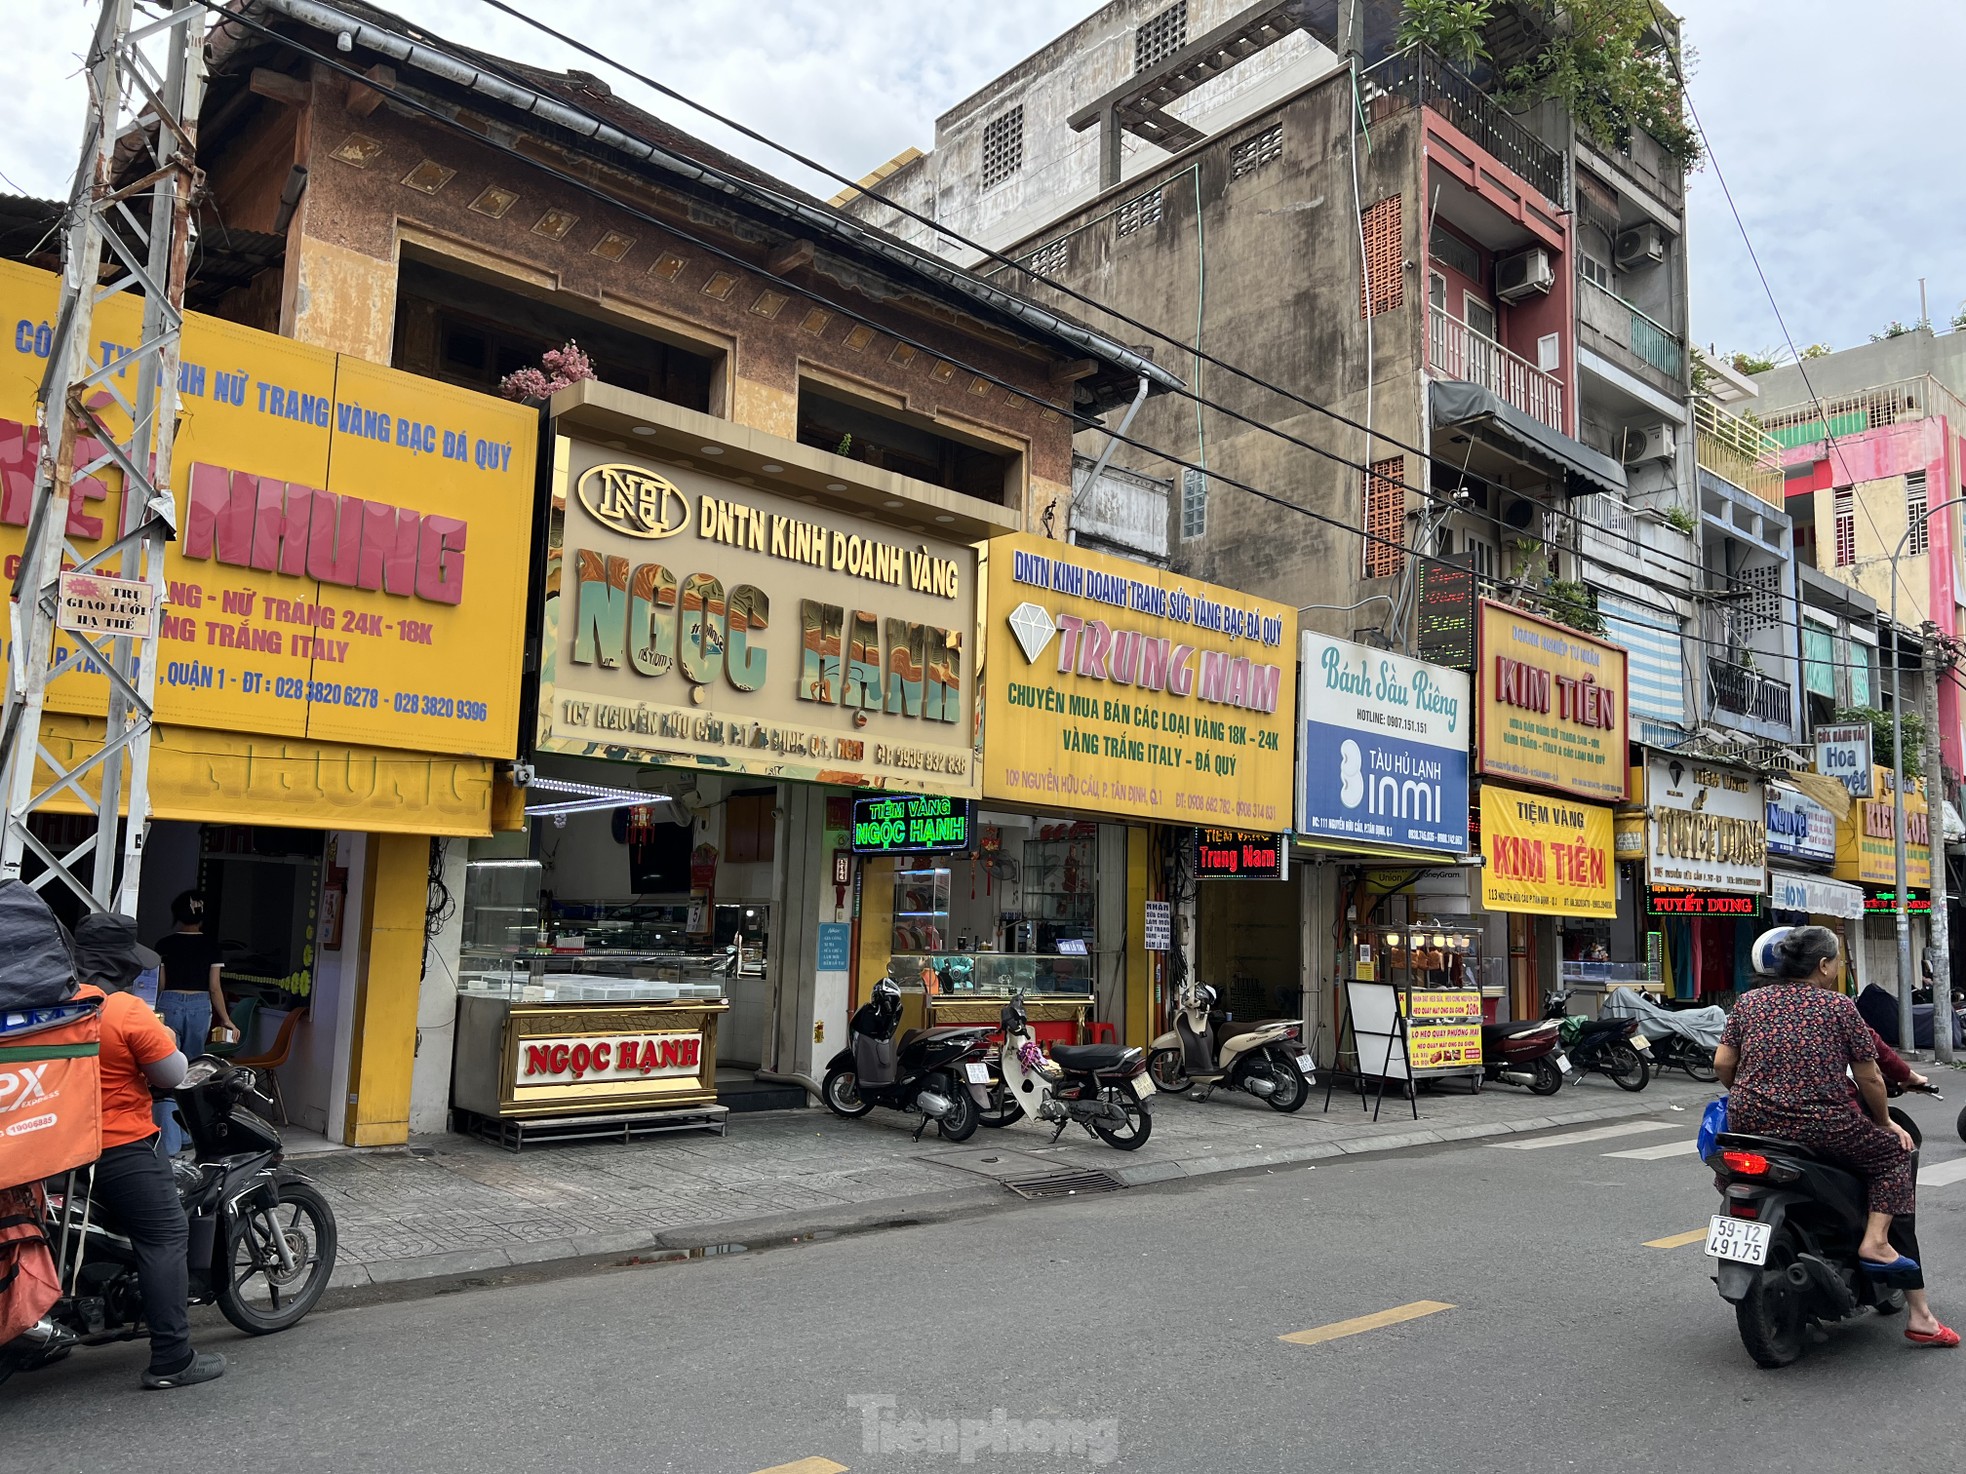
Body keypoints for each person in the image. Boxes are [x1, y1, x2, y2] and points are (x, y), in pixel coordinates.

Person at [1716, 925, 1956, 1348]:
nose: (1837, 969)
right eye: (1836, 963)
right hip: (1820, 1125)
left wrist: (1748, 1092)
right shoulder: (1837, 1007)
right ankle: (1878, 1242)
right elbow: (1870, 1076)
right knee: (1893, 1156)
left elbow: (1723, 1063)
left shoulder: (1749, 1002)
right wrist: (1883, 1122)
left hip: (1749, 1123)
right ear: (1823, 965)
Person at [72, 912, 227, 1389]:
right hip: (117, 1147)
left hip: (52, 1146)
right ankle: (172, 1359)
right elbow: (174, 1073)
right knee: (164, 1236)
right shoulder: (122, 1010)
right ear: (122, 962)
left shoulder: (48, 1000)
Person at [152, 891, 232, 1154]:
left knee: (167, 1066)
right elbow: (214, 987)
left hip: (169, 1002)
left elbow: (160, 984)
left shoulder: (164, 944)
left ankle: (169, 1138)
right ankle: (189, 1134)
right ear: (202, 918)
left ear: (177, 916)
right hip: (200, 1005)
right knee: (194, 1070)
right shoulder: (211, 945)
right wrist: (226, 1019)